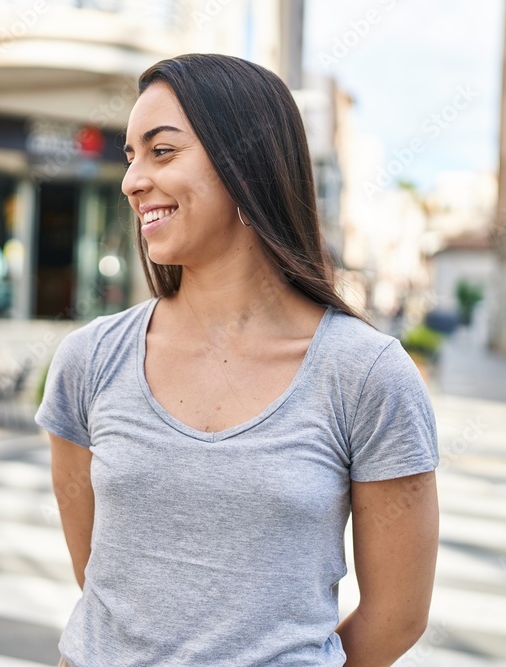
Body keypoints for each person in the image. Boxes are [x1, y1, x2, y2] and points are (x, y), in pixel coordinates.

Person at [35, 53, 439, 667]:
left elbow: (397, 616)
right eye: (129, 156)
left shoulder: (368, 376)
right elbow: (100, 580)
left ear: (246, 163)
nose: (132, 180)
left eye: (162, 151)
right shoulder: (89, 360)